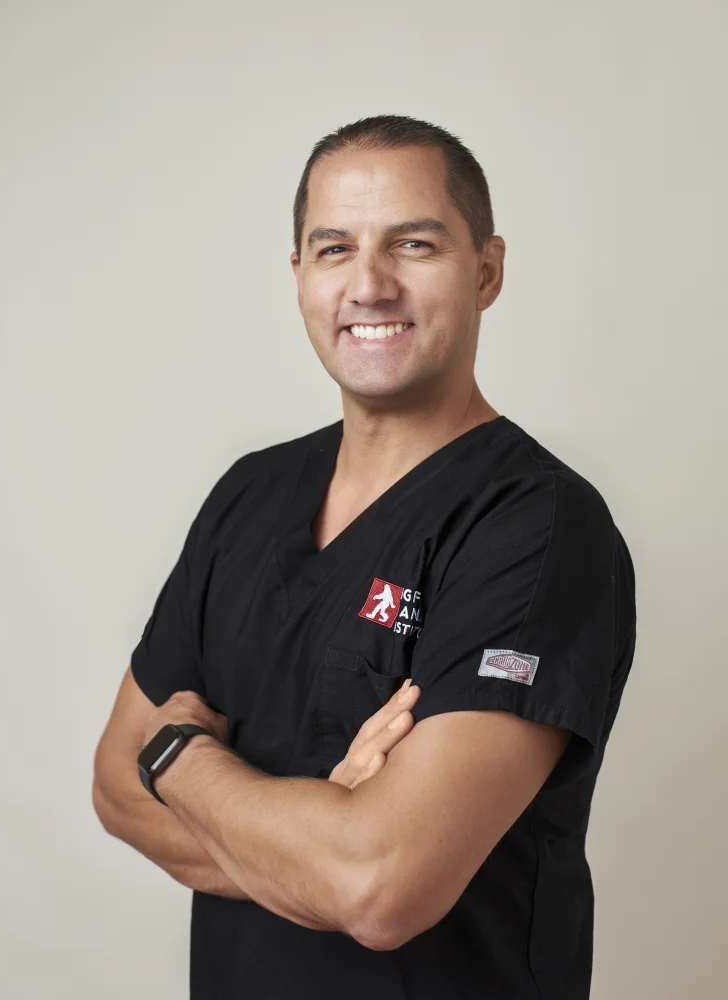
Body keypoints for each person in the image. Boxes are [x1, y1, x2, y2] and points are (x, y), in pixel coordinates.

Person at [92, 114, 637, 1000]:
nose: (370, 285)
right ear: (300, 275)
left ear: (487, 271)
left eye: (414, 244)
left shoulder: (537, 527)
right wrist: (322, 853)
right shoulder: (249, 494)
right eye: (335, 248)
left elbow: (380, 887)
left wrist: (180, 755)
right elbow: (116, 788)